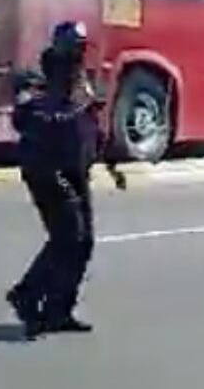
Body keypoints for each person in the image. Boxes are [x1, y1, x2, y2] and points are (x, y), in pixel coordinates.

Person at [7, 21, 124, 337]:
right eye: (76, 47)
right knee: (68, 236)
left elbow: (91, 126)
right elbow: (31, 119)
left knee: (83, 242)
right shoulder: (39, 80)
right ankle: (27, 294)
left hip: (76, 167)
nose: (80, 54)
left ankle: (60, 309)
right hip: (46, 169)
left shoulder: (81, 78)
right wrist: (75, 110)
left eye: (83, 47)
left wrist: (110, 162)